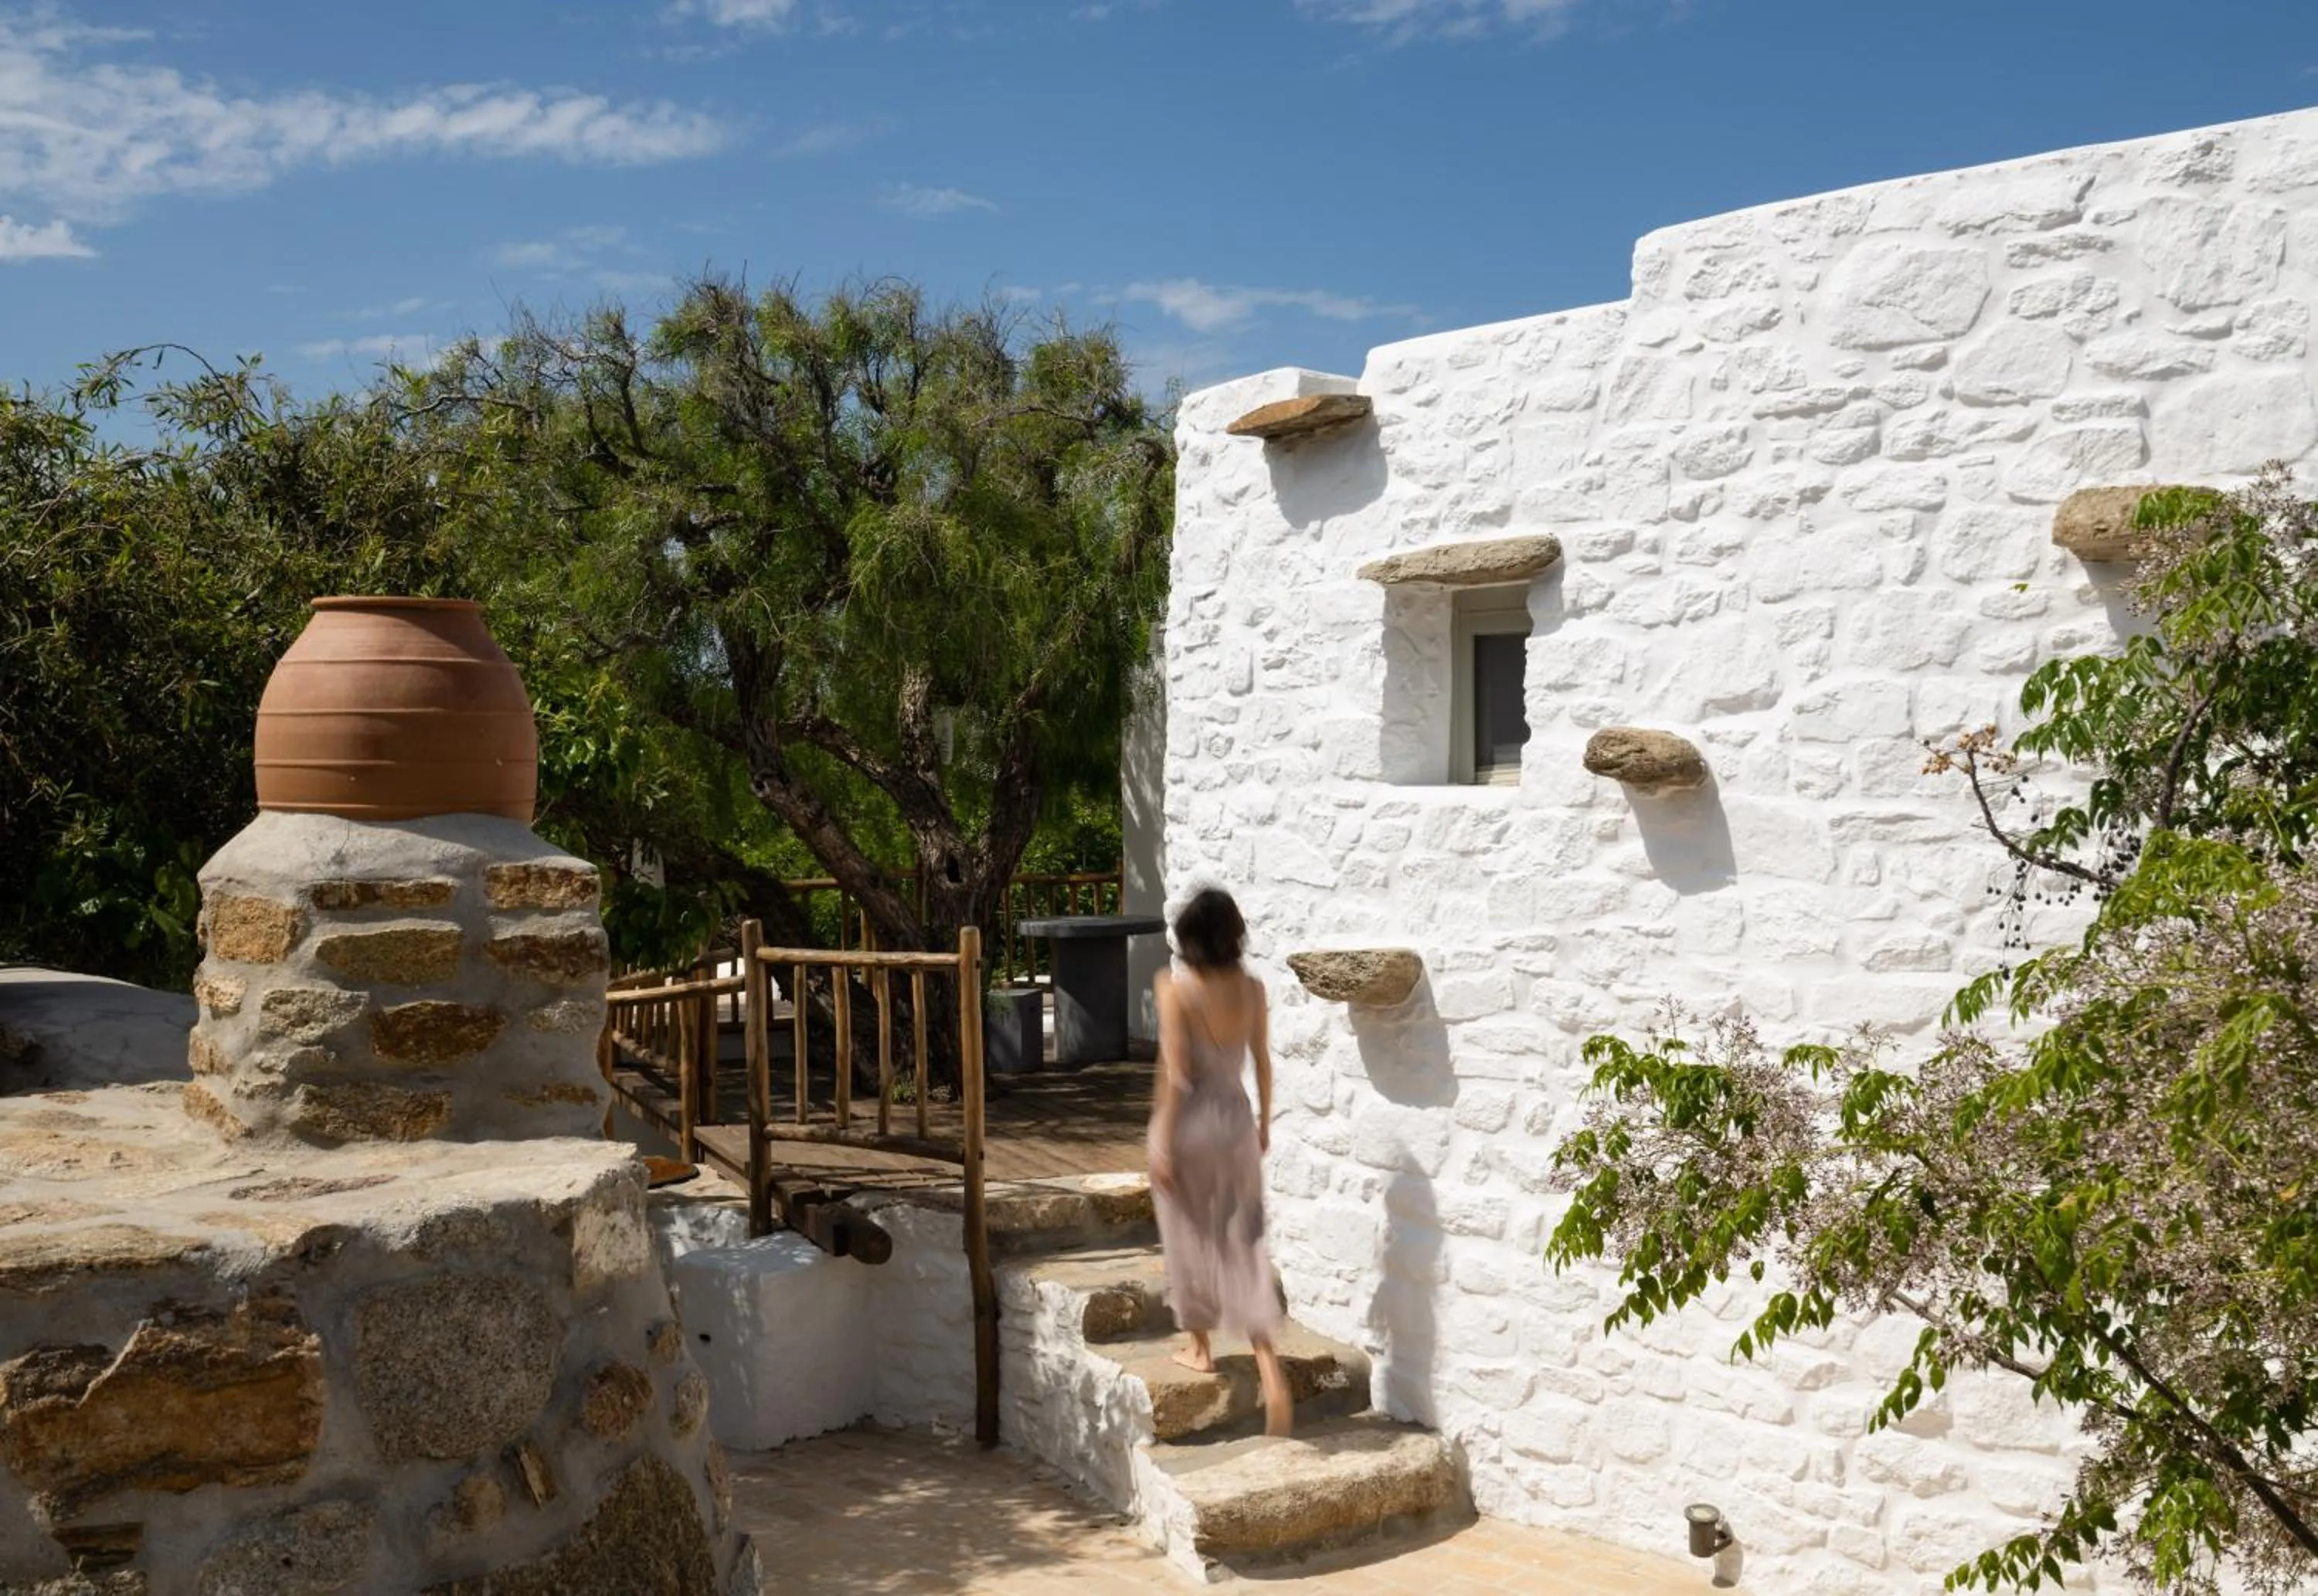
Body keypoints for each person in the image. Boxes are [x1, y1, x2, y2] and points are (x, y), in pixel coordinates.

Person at [1146, 886, 1292, 1437]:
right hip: (1236, 1122)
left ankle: (1200, 1346)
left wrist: (1161, 1139)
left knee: (1188, 1232)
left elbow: (1179, 1075)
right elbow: (1262, 1062)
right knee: (1243, 1241)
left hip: (1191, 1127)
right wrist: (1262, 1125)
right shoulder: (1253, 989)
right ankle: (1271, 1374)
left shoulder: (1175, 990)